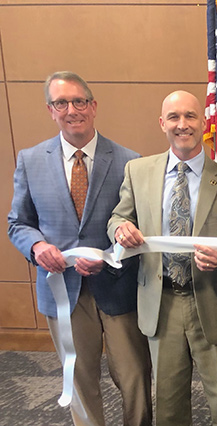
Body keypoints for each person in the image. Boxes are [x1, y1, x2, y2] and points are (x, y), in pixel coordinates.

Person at [7, 71, 151, 426]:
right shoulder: (30, 160)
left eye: (79, 101)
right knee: (80, 378)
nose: (72, 109)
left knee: (134, 378)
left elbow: (139, 227)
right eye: (61, 103)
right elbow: (17, 223)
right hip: (61, 291)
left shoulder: (129, 161)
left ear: (93, 106)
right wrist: (37, 245)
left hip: (118, 289)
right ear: (50, 110)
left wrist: (112, 254)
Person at [107, 91, 217, 425]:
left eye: (190, 116)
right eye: (174, 117)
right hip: (161, 303)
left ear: (204, 122)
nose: (182, 125)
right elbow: (117, 218)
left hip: (212, 300)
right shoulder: (137, 172)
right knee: (168, 407)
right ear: (162, 124)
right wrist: (120, 229)